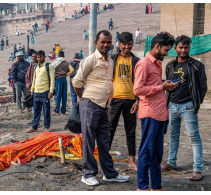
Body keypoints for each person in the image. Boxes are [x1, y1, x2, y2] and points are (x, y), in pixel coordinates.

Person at [72, 30, 129, 186]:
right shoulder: (90, 60)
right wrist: (81, 97)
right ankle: (87, 173)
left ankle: (109, 173)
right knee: (89, 142)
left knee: (104, 141)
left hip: (104, 106)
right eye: (103, 42)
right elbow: (76, 82)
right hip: (90, 104)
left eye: (108, 42)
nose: (106, 45)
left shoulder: (110, 61)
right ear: (96, 43)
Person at [133, 32, 176, 191]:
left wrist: (165, 84)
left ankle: (156, 187)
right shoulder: (144, 63)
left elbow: (152, 85)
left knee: (157, 154)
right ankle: (142, 187)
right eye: (166, 50)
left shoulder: (156, 63)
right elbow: (137, 89)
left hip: (160, 114)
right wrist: (161, 87)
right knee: (146, 151)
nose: (167, 53)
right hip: (150, 114)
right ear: (157, 46)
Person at [162, 35, 208, 181]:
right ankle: (171, 162)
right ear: (175, 48)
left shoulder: (197, 65)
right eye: (180, 47)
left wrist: (196, 103)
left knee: (194, 137)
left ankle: (198, 168)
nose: (183, 50)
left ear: (189, 48)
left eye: (186, 47)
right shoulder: (170, 65)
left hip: (188, 106)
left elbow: (202, 87)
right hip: (172, 106)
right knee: (173, 135)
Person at [108, 32, 140, 172]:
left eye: (129, 44)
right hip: (114, 99)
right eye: (124, 44)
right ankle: (104, 157)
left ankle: (132, 160)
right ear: (119, 44)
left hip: (131, 100)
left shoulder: (136, 61)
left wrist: (138, 100)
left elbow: (140, 81)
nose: (127, 47)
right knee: (109, 129)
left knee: (130, 131)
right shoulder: (112, 59)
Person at [26, 50, 55, 133]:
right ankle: (34, 127)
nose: (39, 58)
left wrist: (51, 91)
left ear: (44, 57)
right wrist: (32, 89)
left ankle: (46, 127)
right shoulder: (36, 67)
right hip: (36, 92)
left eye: (41, 57)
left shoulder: (49, 66)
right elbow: (34, 79)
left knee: (46, 110)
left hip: (45, 92)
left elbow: (52, 79)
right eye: (38, 57)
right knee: (36, 111)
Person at [51, 51, 74, 115]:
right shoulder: (66, 63)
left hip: (58, 79)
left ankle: (57, 110)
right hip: (64, 79)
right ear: (63, 56)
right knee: (64, 95)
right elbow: (72, 70)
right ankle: (63, 110)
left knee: (58, 95)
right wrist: (66, 74)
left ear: (58, 55)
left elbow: (50, 69)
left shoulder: (55, 63)